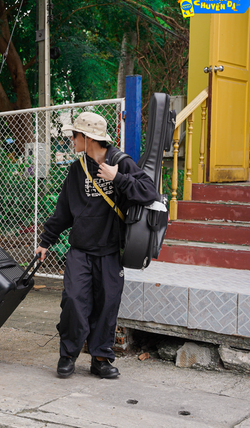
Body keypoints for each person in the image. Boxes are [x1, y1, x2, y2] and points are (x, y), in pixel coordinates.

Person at [34, 112, 158, 379]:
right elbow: (64, 210)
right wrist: (46, 241)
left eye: (74, 135)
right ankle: (67, 355)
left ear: (87, 138)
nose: (71, 139)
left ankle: (101, 359)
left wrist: (118, 178)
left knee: (107, 305)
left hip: (111, 251)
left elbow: (150, 193)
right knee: (74, 302)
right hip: (80, 250)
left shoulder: (120, 163)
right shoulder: (77, 168)